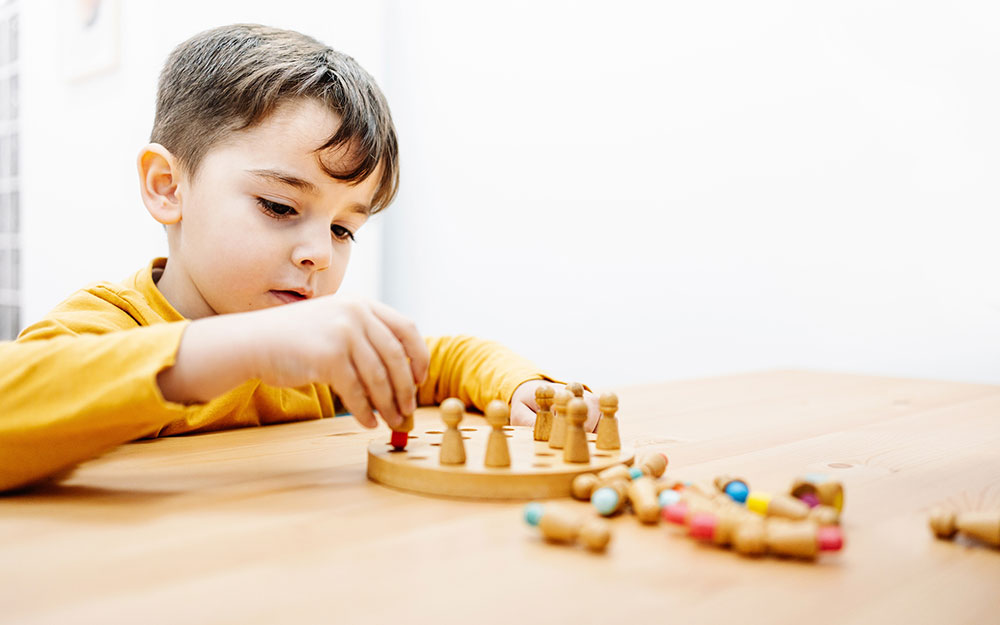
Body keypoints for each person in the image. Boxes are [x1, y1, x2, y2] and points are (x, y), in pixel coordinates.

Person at [0, 24, 599, 493]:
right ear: (167, 186)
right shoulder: (110, 325)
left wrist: (521, 384)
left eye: (343, 229)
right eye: (280, 206)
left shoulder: (311, 346)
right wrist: (253, 345)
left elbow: (439, 360)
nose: (318, 255)